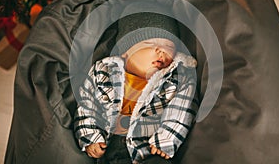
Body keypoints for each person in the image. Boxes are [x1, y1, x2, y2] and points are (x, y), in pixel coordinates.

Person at [74, 11, 198, 164]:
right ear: (127, 52)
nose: (162, 51)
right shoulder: (103, 70)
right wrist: (91, 137)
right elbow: (87, 104)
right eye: (150, 44)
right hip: (108, 147)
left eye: (169, 46)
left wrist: (166, 139)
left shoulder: (178, 76)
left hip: (148, 150)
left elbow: (182, 108)